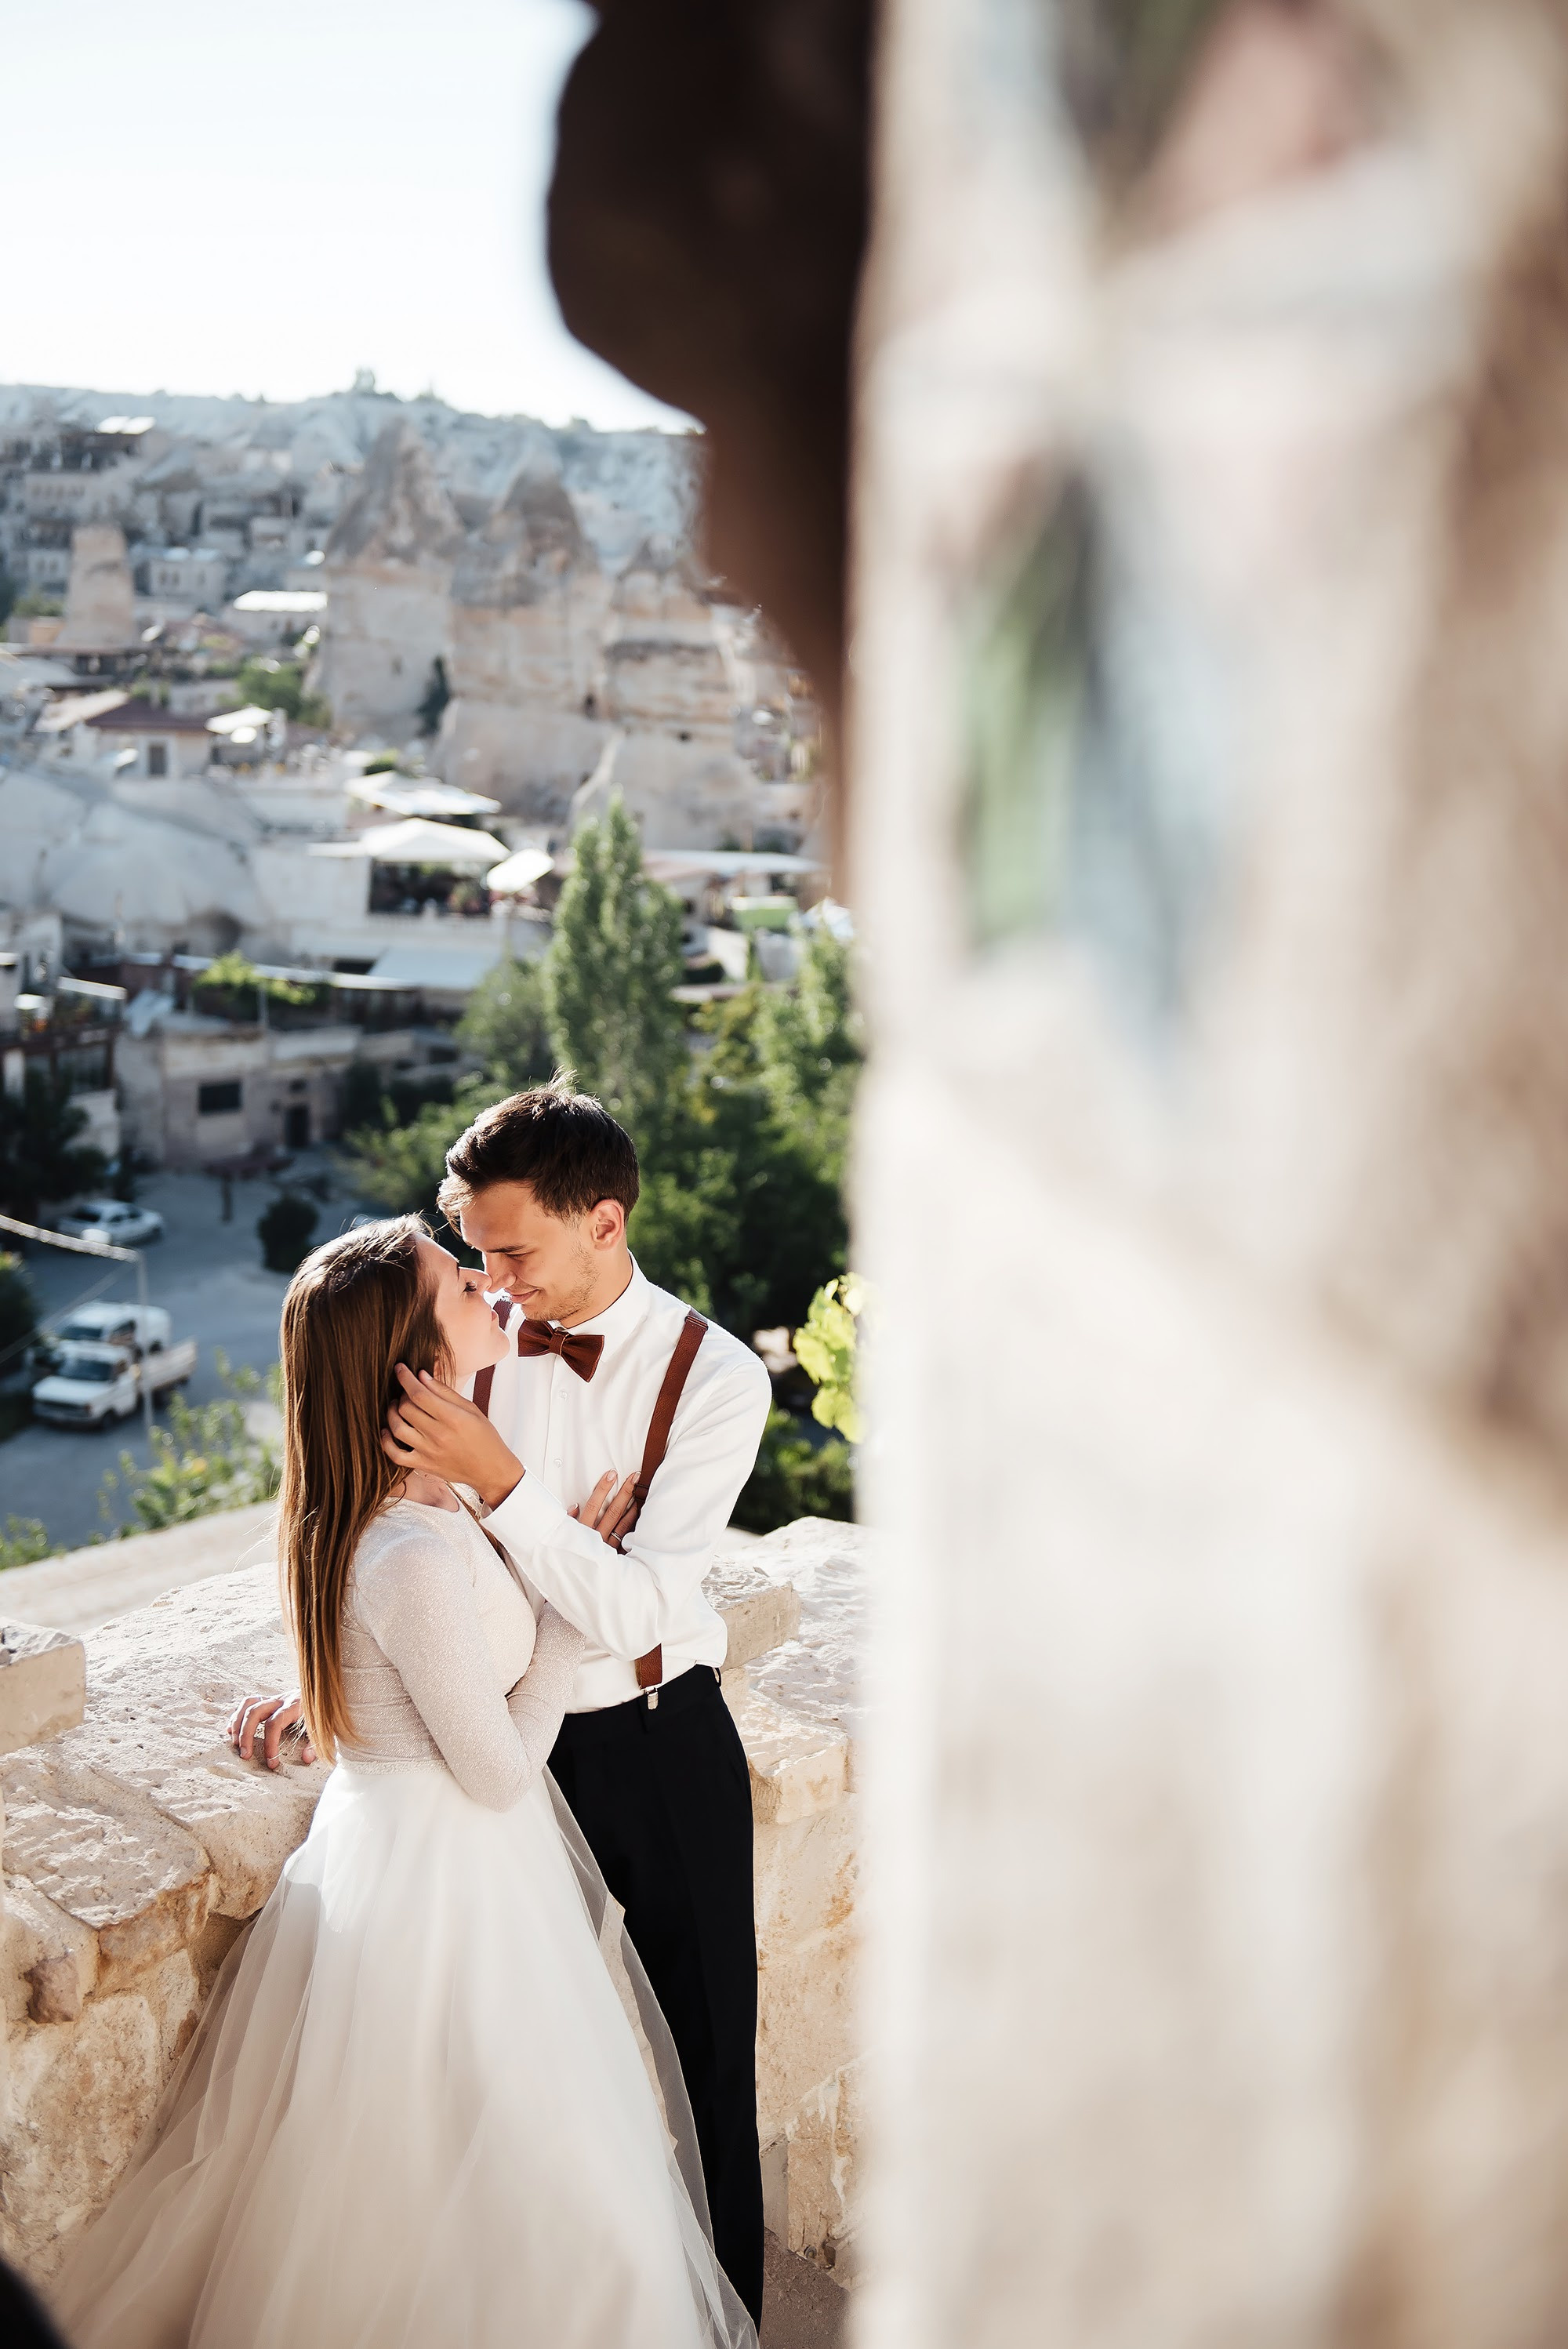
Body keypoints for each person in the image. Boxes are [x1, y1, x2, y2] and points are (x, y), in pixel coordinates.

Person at [53, 1218, 755, 2349]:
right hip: (453, 1878)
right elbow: (490, 1769)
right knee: (505, 2177)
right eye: (458, 1281)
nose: (488, 1285)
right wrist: (578, 1620)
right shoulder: (416, 1545)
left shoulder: (439, 1503)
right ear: (417, 1365)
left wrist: (536, 1562)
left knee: (517, 2172)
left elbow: (424, 1663)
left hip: (453, 1858)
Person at [233, 1084, 774, 2328]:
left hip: (654, 1739)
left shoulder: (718, 1378)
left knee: (707, 2067)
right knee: (507, 2085)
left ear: (604, 1220)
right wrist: (333, 1678)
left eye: (516, 1250)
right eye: (475, 1254)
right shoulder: (461, 1341)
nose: (497, 1278)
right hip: (494, 1767)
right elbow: (370, 1519)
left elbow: (639, 1613)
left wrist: (509, 1486)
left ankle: (723, 2317)